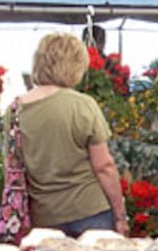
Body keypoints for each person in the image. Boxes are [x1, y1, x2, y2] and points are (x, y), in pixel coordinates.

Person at [8, 32, 128, 237]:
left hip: (44, 216)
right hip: (90, 212)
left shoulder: (15, 110)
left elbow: (12, 166)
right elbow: (104, 167)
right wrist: (120, 216)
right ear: (75, 65)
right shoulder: (82, 105)